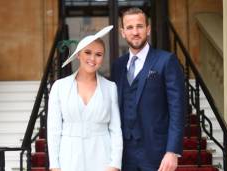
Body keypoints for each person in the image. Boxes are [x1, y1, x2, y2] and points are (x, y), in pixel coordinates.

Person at [111, 7, 185, 171]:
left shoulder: (166, 61)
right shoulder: (117, 65)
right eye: (129, 27)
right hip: (124, 153)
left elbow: (177, 109)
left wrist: (172, 151)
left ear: (148, 29)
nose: (135, 32)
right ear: (123, 32)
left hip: (156, 152)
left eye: (140, 26)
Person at [47, 25, 123, 171]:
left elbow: (115, 129)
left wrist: (114, 164)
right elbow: (54, 130)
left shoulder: (110, 87)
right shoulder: (59, 87)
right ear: (78, 55)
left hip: (102, 155)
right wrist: (54, 165)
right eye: (87, 52)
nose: (92, 59)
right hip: (69, 157)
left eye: (98, 54)